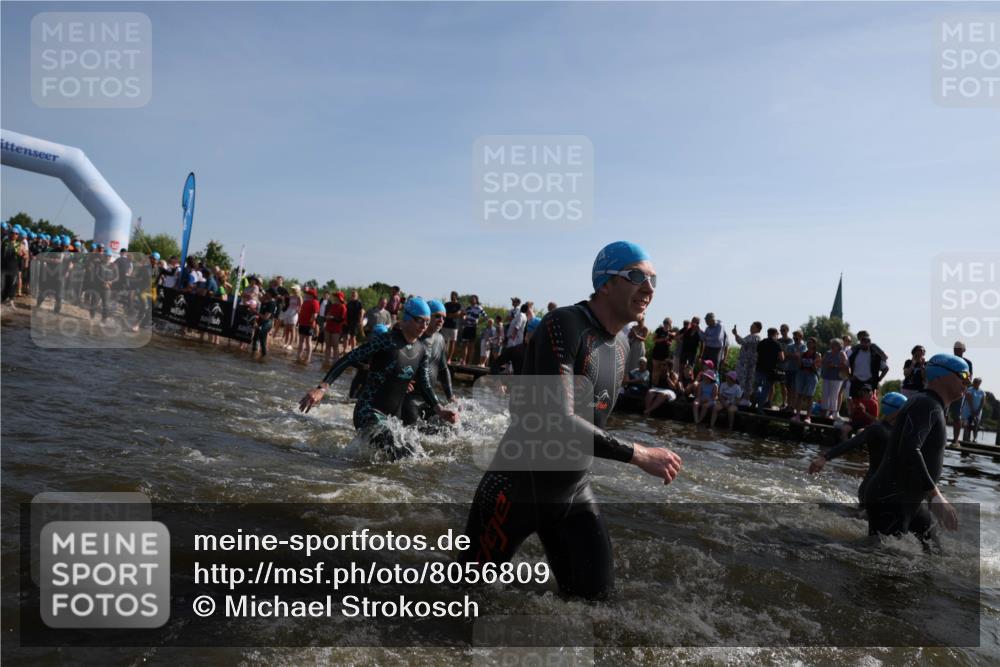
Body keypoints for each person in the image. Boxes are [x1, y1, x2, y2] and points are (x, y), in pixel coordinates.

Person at [462, 241, 682, 600]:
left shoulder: (623, 346)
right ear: (605, 283)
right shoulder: (564, 324)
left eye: (654, 280)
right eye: (637, 276)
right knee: (459, 603)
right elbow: (556, 420)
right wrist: (639, 454)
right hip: (516, 488)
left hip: (573, 490)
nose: (649, 288)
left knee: (595, 608)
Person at [298, 297, 459, 460]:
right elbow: (349, 358)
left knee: (414, 456)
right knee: (399, 452)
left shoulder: (422, 350)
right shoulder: (386, 341)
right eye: (419, 321)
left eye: (426, 321)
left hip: (392, 420)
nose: (424, 326)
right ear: (407, 318)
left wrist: (440, 409)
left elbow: (425, 383)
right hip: (368, 411)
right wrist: (322, 388)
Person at [863, 354, 969, 542]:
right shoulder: (926, 404)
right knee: (883, 562)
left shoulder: (931, 404)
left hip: (910, 498)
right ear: (941, 375)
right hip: (892, 498)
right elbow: (910, 448)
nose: (967, 382)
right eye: (963, 375)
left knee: (934, 554)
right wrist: (936, 496)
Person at [808, 392, 907, 503]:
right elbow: (851, 443)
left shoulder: (899, 431)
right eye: (906, 410)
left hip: (881, 487)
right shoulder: (877, 429)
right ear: (897, 411)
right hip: (874, 489)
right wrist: (825, 457)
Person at [401, 299, 455, 427]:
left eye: (443, 317)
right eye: (437, 316)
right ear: (427, 316)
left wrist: (451, 396)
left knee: (449, 428)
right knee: (413, 435)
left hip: (429, 397)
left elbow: (443, 369)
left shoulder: (440, 339)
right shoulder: (413, 337)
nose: (441, 320)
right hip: (409, 398)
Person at [847, 331, 889, 398]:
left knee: (869, 403)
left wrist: (878, 378)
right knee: (855, 403)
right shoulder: (855, 350)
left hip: (870, 382)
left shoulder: (874, 348)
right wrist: (849, 376)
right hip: (856, 381)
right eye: (861, 339)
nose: (864, 342)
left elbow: (885, 358)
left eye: (865, 338)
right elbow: (845, 361)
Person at [751, 328, 784, 411]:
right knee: (765, 390)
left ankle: (754, 402)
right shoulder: (777, 344)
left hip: (759, 368)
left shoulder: (761, 343)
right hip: (770, 371)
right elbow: (782, 358)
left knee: (757, 386)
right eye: (777, 334)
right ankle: (759, 408)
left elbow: (757, 355)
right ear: (775, 334)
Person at [791, 337, 822, 422]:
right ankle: (797, 415)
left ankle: (808, 417)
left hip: (811, 375)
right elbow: (799, 366)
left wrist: (814, 364)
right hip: (801, 374)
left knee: (809, 396)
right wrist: (799, 358)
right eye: (807, 342)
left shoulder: (817, 355)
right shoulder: (803, 353)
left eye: (811, 342)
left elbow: (817, 368)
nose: (808, 344)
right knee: (799, 395)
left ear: (815, 344)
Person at [732, 322, 762, 405]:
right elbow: (741, 341)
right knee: (746, 381)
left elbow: (742, 342)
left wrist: (736, 334)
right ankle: (744, 399)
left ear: (757, 329)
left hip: (747, 364)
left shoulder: (755, 337)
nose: (750, 327)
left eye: (753, 326)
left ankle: (743, 399)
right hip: (747, 364)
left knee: (744, 381)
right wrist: (736, 335)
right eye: (751, 326)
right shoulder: (751, 336)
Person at [950, 341, 973, 445]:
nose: (957, 350)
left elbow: (968, 379)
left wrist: (963, 374)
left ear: (964, 350)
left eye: (959, 349)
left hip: (959, 391)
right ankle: (938, 437)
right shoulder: (948, 360)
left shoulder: (967, 363)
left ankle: (955, 440)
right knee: (941, 414)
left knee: (956, 415)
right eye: (955, 348)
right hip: (946, 389)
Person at [820, 338, 849, 419]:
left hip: (837, 378)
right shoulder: (828, 353)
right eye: (832, 344)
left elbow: (846, 365)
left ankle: (831, 414)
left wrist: (835, 366)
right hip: (826, 376)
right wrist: (826, 364)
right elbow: (822, 362)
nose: (832, 346)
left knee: (834, 395)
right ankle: (824, 412)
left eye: (834, 345)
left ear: (839, 346)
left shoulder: (842, 353)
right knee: (825, 394)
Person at [459, 295, 486, 364]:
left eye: (473, 299)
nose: (471, 300)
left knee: (471, 345)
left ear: (476, 300)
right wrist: (463, 318)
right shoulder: (468, 308)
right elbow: (463, 315)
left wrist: (478, 322)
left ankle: (469, 362)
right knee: (465, 344)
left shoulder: (479, 308)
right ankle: (463, 360)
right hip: (466, 327)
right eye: (470, 299)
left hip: (473, 328)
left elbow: (485, 317)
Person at [323, 291, 348, 367]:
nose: (335, 298)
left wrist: (332, 318)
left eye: (336, 297)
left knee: (335, 345)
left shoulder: (343, 307)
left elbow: (342, 319)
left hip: (336, 328)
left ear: (340, 298)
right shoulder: (332, 305)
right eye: (335, 297)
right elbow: (328, 314)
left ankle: (335, 362)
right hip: (328, 327)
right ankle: (326, 361)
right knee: (327, 345)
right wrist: (327, 316)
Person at [784, 330, 806, 413]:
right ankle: (788, 405)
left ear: (801, 337)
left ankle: (793, 406)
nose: (795, 337)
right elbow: (786, 355)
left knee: (794, 389)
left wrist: (793, 355)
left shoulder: (803, 346)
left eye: (797, 336)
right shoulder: (790, 346)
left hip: (797, 371)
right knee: (789, 388)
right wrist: (794, 355)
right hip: (789, 369)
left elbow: (800, 356)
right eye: (794, 336)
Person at [252, 290, 278, 359]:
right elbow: (260, 299)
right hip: (261, 322)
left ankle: (263, 355)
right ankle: (255, 354)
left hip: (267, 323)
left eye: (267, 293)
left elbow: (266, 317)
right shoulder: (265, 302)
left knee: (262, 339)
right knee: (255, 338)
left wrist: (255, 312)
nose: (265, 294)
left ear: (270, 294)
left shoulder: (272, 303)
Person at [296, 287, 320, 364]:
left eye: (307, 294)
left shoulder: (315, 302)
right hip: (302, 323)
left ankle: (308, 358)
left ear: (311, 295)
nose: (305, 295)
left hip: (308, 325)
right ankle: (299, 356)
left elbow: (315, 314)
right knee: (301, 340)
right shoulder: (306, 302)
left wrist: (311, 322)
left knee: (308, 341)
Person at [650, 317, 674, 383]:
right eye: (665, 323)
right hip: (657, 353)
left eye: (668, 323)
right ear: (663, 323)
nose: (666, 324)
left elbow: (671, 342)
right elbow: (654, 339)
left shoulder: (670, 332)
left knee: (663, 371)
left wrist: (669, 343)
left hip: (665, 354)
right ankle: (653, 385)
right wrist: (663, 339)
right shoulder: (659, 330)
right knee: (655, 370)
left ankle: (660, 385)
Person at [961, 378, 986, 444]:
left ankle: (974, 439)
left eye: (977, 382)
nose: (975, 383)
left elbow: (982, 402)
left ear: (980, 383)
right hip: (968, 410)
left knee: (976, 425)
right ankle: (966, 439)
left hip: (978, 412)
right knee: (967, 425)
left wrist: (977, 411)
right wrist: (972, 410)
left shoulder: (982, 392)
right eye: (975, 382)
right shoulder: (969, 390)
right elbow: (969, 400)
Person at [442, 291, 462, 361]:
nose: (451, 296)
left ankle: (449, 359)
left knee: (452, 342)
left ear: (456, 296)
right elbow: (444, 313)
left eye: (453, 295)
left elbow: (459, 313)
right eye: (451, 295)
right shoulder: (447, 304)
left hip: (454, 326)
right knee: (444, 342)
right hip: (445, 325)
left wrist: (450, 315)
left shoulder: (459, 305)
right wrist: (453, 315)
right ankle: (442, 357)